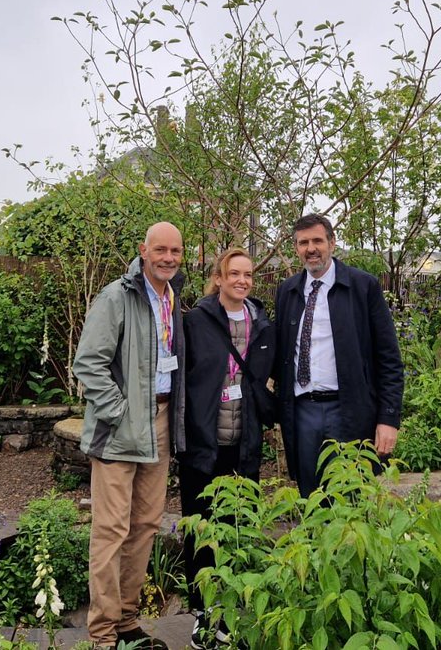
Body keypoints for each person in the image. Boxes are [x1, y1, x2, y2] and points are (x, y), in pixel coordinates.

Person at [73, 221, 187, 650]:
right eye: (161, 250)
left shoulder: (172, 299)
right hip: (120, 428)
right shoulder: (117, 297)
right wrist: (120, 412)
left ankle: (127, 621)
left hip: (158, 423)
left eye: (175, 251)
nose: (169, 258)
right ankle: (102, 635)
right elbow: (88, 364)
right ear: (143, 250)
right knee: (111, 530)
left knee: (145, 525)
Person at [179, 248, 277, 649]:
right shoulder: (196, 321)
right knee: (201, 530)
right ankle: (203, 613)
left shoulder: (263, 323)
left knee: (240, 528)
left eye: (248, 274)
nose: (242, 280)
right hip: (204, 445)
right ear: (218, 278)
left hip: (245, 444)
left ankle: (232, 615)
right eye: (233, 273)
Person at [274, 212, 403, 496]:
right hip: (302, 412)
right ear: (296, 248)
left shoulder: (362, 287)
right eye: (303, 242)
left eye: (317, 240)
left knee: (350, 498)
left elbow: (389, 360)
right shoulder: (288, 292)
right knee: (311, 497)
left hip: (349, 412)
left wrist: (388, 419)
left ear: (332, 243)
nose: (311, 248)